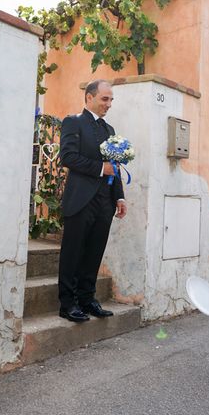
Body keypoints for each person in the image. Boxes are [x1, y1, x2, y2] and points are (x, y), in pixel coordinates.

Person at [57, 80, 127, 322]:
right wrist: (100, 168)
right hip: (80, 200)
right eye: (104, 99)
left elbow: (115, 166)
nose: (108, 104)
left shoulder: (109, 130)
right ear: (89, 98)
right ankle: (67, 304)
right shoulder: (73, 122)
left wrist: (119, 196)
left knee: (94, 253)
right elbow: (67, 157)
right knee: (73, 253)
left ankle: (87, 299)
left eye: (110, 100)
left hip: (104, 202)